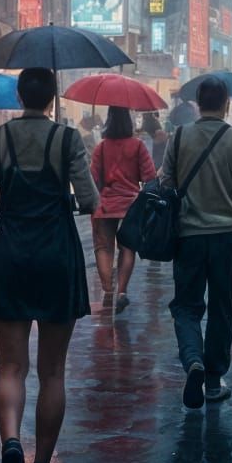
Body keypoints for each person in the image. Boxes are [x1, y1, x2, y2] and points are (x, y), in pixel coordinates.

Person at [0, 66, 99, 463]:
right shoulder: (66, 139)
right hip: (57, 256)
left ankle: (10, 445)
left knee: (11, 365)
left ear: (19, 94)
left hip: (10, 254)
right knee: (53, 372)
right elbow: (89, 199)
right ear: (51, 98)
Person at [161, 74, 232, 407]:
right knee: (223, 308)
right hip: (229, 239)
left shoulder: (179, 138)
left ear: (198, 103)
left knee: (186, 307)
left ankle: (192, 358)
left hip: (189, 237)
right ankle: (212, 379)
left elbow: (165, 184)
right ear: (226, 104)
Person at [89, 106, 157, 314]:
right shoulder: (137, 146)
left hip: (106, 204)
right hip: (131, 206)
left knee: (103, 248)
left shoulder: (101, 147)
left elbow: (93, 177)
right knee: (128, 248)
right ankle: (122, 292)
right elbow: (150, 177)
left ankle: (108, 290)